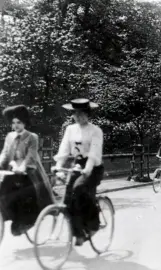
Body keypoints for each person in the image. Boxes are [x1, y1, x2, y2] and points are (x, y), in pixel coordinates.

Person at [53, 98, 104, 246]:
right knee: (68, 199)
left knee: (79, 188)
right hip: (77, 165)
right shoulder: (70, 129)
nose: (79, 116)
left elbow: (94, 152)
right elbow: (63, 150)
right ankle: (79, 234)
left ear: (88, 114)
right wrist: (58, 166)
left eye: (82, 113)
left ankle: (94, 224)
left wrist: (87, 169)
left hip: (93, 167)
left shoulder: (95, 131)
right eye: (76, 113)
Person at [0, 105, 54, 236]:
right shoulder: (10, 137)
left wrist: (22, 167)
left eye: (19, 122)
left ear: (24, 122)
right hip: (13, 171)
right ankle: (12, 217)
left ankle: (28, 221)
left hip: (30, 171)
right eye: (13, 123)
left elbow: (31, 156)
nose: (16, 125)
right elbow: (5, 154)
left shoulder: (32, 137)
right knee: (3, 191)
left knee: (26, 194)